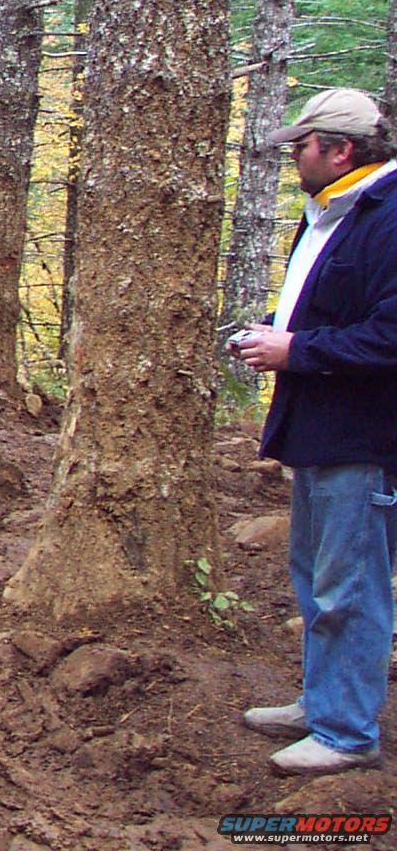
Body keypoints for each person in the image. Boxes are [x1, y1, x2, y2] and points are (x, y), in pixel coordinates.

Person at [232, 87, 397, 776]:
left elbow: (388, 335)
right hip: (319, 429)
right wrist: (277, 330)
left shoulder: (388, 217)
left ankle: (346, 732)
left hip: (364, 436)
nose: (293, 158)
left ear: (340, 149)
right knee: (314, 576)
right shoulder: (335, 211)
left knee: (350, 586)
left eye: (300, 146)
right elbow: (330, 306)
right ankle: (323, 702)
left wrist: (295, 349)